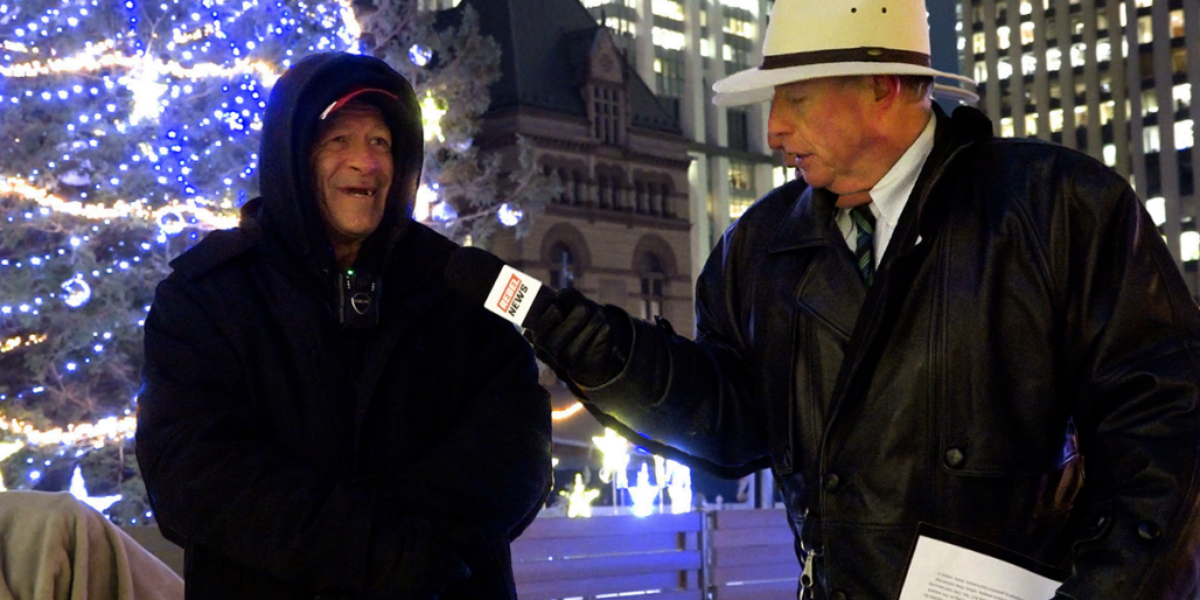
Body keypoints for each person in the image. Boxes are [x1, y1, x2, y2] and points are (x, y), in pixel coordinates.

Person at [520, 0, 1200, 598]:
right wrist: (609, 356)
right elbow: (731, 419)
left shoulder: (1060, 211)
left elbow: (1167, 438)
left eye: (798, 98)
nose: (774, 131)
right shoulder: (757, 247)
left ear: (884, 86)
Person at [136, 52, 552, 600]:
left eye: (381, 141)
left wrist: (416, 555)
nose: (366, 163)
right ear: (294, 155)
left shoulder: (461, 288)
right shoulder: (206, 294)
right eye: (339, 141)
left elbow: (514, 450)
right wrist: (372, 553)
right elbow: (193, 472)